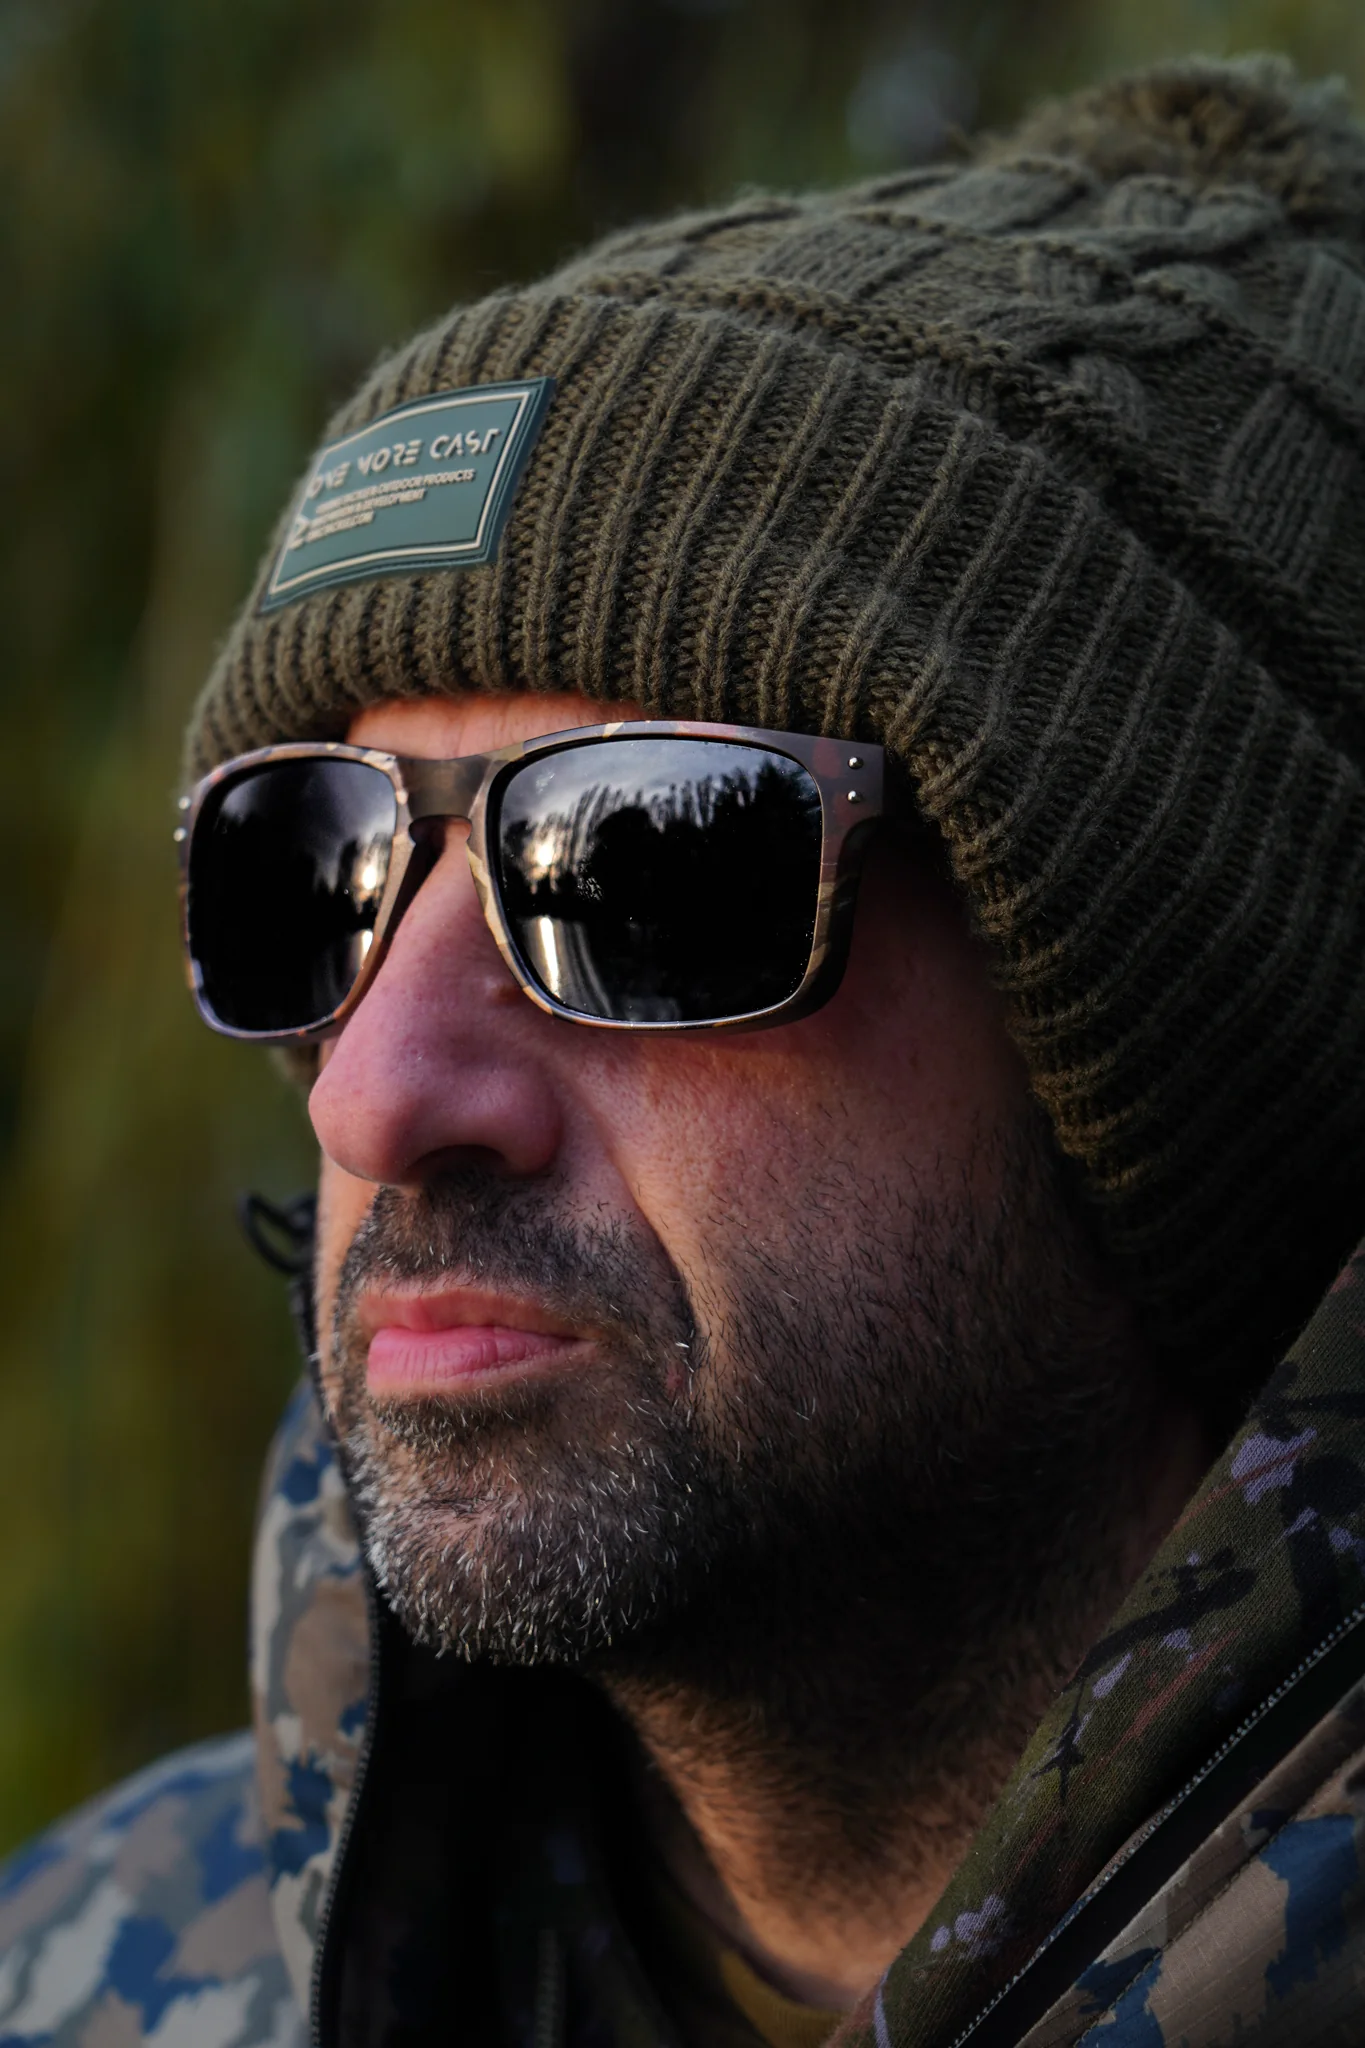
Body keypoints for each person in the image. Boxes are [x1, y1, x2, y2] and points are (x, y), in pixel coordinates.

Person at [5, 51, 1365, 2048]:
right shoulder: (85, 1973)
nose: (375, 1092)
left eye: (648, 857)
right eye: (316, 866)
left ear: (1173, 1035)